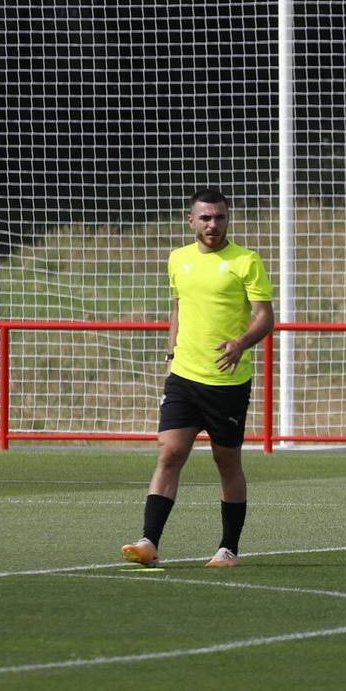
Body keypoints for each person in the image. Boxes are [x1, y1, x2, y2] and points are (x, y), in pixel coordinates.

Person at [120, 189, 274, 569]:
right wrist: (172, 354)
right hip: (184, 377)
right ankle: (148, 542)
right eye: (205, 218)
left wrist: (240, 344)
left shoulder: (245, 261)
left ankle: (228, 549)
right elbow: (178, 308)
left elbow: (265, 316)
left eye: (219, 217)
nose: (213, 225)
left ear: (227, 219)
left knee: (227, 462)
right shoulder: (178, 259)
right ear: (190, 221)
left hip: (226, 382)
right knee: (169, 454)